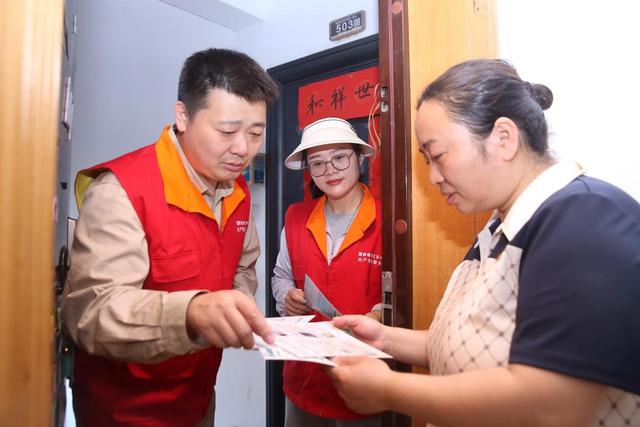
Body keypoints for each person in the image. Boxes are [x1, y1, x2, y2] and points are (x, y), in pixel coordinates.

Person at [328, 59, 640, 427]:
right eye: (427, 161)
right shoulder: (499, 228)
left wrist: (388, 390)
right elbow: (467, 344)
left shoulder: (583, 217)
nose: (433, 177)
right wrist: (384, 339)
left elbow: (554, 404)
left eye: (438, 156)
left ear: (503, 138)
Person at [61, 48, 278, 427]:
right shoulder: (122, 191)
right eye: (227, 131)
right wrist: (191, 313)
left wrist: (237, 304)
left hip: (198, 396)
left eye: (256, 133)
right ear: (183, 116)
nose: (243, 148)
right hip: (124, 409)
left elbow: (243, 266)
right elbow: (91, 313)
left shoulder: (237, 193)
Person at [271, 117, 383, 427]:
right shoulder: (296, 217)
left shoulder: (388, 219)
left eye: (340, 158)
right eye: (318, 163)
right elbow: (281, 275)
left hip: (362, 375)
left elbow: (402, 294)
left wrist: (377, 316)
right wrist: (286, 297)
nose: (330, 170)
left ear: (360, 159)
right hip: (304, 374)